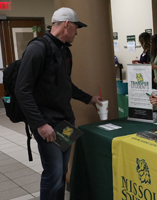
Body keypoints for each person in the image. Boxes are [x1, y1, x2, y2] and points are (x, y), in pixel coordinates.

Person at [15, 7, 102, 200]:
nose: (77, 32)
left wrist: (89, 99)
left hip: (66, 123)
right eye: (76, 27)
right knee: (53, 173)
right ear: (66, 24)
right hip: (48, 125)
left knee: (62, 171)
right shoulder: (38, 49)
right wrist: (39, 124)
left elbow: (65, 85)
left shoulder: (64, 52)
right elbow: (22, 90)